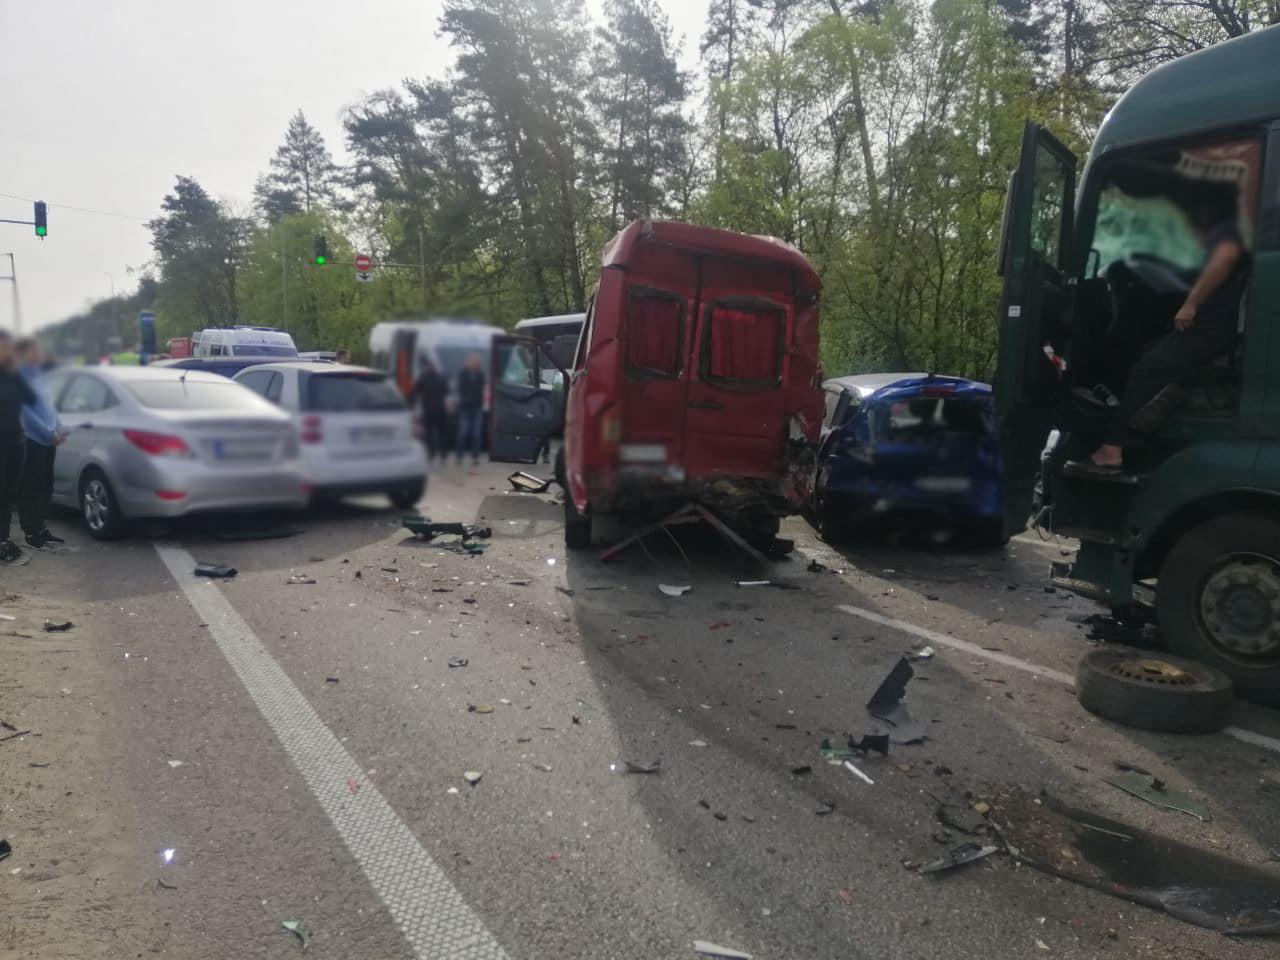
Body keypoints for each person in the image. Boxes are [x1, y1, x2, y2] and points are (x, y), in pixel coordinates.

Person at [1083, 209, 1247, 471]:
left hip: (1209, 329)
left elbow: (1224, 258)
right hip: (1209, 328)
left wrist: (1191, 304)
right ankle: (1137, 433)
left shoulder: (1225, 231)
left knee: (1148, 370)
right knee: (1148, 354)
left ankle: (1112, 447)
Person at [15, 339, 66, 549]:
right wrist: (47, 432)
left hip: (49, 439)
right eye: (33, 351)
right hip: (33, 439)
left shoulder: (38, 376)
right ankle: (30, 531)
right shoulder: (19, 377)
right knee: (31, 486)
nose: (38, 355)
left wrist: (59, 427)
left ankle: (41, 527)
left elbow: (49, 405)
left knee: (46, 484)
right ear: (23, 354)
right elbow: (26, 413)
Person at [0, 331, 36, 563]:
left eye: (9, 347)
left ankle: (3, 539)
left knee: (9, 493)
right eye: (4, 347)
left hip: (16, 440)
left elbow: (31, 398)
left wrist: (18, 371)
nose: (7, 351)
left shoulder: (13, 375)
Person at [409, 357, 450, 460]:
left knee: (429, 432)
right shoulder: (441, 377)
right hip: (440, 409)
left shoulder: (423, 378)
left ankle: (431, 453)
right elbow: (447, 391)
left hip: (428, 409)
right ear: (435, 367)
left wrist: (412, 405)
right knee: (443, 432)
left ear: (427, 367)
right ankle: (443, 454)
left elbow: (415, 391)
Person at [455, 353, 486, 465]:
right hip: (465, 406)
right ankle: (459, 457)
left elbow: (482, 388)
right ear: (468, 362)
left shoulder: (480, 374)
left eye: (476, 362)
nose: (474, 364)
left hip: (477, 406)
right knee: (462, 433)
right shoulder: (463, 373)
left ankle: (475, 457)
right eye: (472, 361)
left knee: (476, 434)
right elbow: (459, 387)